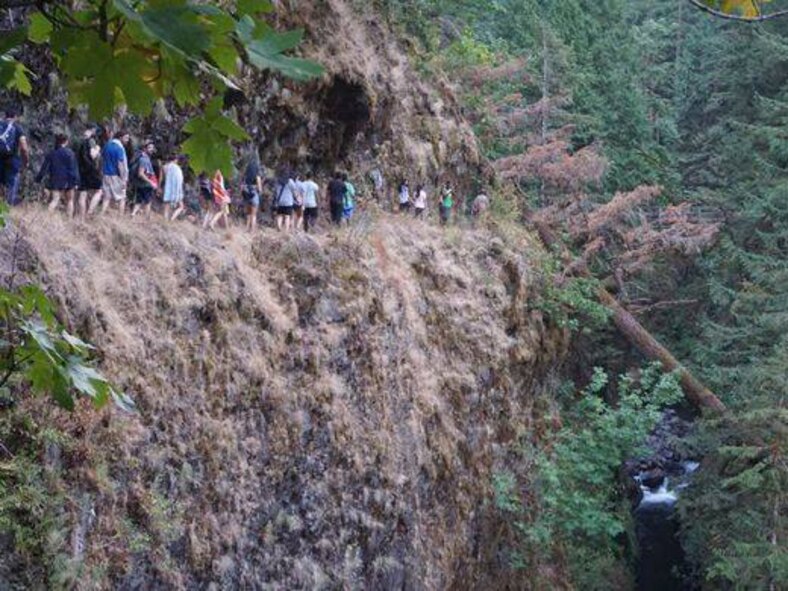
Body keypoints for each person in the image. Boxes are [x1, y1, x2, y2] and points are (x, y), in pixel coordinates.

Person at [36, 133, 80, 217]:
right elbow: (74, 168)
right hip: (69, 180)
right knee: (70, 200)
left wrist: (39, 178)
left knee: (55, 200)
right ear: (66, 142)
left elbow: (44, 167)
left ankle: (46, 218)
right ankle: (69, 220)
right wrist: (76, 181)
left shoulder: (52, 153)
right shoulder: (70, 153)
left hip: (56, 179)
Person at [93, 127, 128, 215]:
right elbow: (120, 164)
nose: (127, 140)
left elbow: (101, 158)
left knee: (106, 197)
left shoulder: (107, 145)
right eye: (126, 138)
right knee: (122, 197)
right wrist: (124, 179)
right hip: (115, 175)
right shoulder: (119, 148)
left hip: (105, 174)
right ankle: (121, 217)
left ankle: (101, 214)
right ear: (120, 137)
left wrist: (100, 170)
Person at [0, 107, 30, 206]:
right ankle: (8, 209)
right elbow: (24, 146)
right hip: (11, 160)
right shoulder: (17, 127)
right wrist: (26, 161)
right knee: (11, 186)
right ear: (15, 117)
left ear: (5, 116)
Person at [76, 124, 102, 219]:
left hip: (80, 170)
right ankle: (89, 212)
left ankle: (81, 218)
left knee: (82, 194)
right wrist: (98, 149)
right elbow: (93, 155)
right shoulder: (91, 141)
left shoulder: (78, 141)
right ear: (93, 130)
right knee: (99, 191)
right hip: (90, 170)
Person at [130, 140, 158, 218]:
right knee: (148, 202)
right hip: (145, 184)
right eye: (149, 148)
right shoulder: (144, 159)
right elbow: (140, 173)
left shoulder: (144, 158)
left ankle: (133, 214)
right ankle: (146, 219)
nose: (152, 149)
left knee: (139, 201)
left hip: (141, 184)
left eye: (152, 147)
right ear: (145, 149)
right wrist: (151, 182)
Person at [241, 150, 263, 231]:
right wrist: (260, 192)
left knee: (248, 214)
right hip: (254, 194)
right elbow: (259, 186)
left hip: (246, 193)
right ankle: (252, 230)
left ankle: (247, 228)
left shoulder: (246, 175)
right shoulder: (257, 174)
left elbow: (242, 185)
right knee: (254, 214)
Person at [160, 154, 185, 221]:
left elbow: (161, 178)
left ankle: (165, 219)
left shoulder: (164, 167)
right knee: (181, 206)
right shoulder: (177, 168)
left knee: (166, 205)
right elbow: (179, 180)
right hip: (176, 190)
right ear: (175, 160)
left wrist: (159, 187)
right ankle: (172, 219)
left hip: (167, 187)